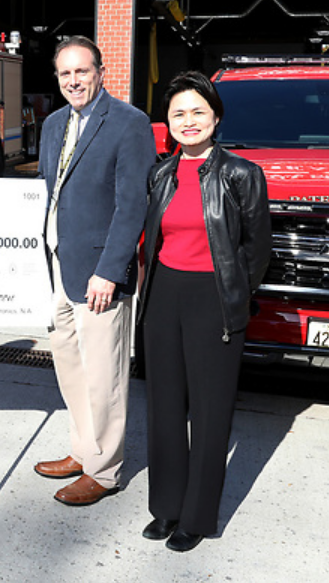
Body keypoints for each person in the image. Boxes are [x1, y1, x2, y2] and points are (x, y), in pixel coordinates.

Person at [137, 71, 271, 551]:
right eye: (178, 113)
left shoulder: (242, 174)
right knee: (165, 408)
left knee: (210, 412)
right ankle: (166, 508)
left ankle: (196, 516)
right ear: (168, 123)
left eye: (198, 111)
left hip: (214, 297)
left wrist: (235, 292)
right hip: (163, 294)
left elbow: (257, 250)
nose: (188, 121)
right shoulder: (161, 172)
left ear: (215, 116)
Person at [33, 36, 156, 506]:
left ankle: (104, 471)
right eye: (65, 73)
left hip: (101, 273)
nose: (73, 81)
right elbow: (49, 189)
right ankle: (84, 449)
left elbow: (132, 206)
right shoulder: (53, 124)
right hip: (62, 264)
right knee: (70, 364)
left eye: (82, 71)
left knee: (104, 374)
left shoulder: (129, 124)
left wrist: (110, 270)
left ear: (100, 71)